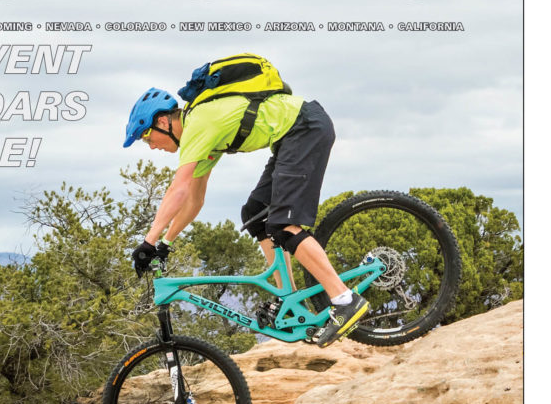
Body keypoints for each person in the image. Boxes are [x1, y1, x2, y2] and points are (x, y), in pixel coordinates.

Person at [124, 74, 369, 348]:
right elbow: (193, 201)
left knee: (283, 225)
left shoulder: (198, 124)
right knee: (256, 214)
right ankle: (288, 296)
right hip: (292, 135)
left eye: (147, 138)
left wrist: (148, 241)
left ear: (162, 122)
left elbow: (177, 190)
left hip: (305, 128)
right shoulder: (200, 134)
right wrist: (166, 242)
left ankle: (345, 300)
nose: (152, 146)